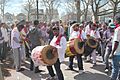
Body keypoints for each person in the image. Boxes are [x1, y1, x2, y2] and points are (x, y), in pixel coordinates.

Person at [110, 15, 120, 80]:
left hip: (117, 52)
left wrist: (112, 52)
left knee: (115, 69)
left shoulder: (117, 29)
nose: (114, 21)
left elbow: (116, 42)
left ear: (117, 21)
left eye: (115, 20)